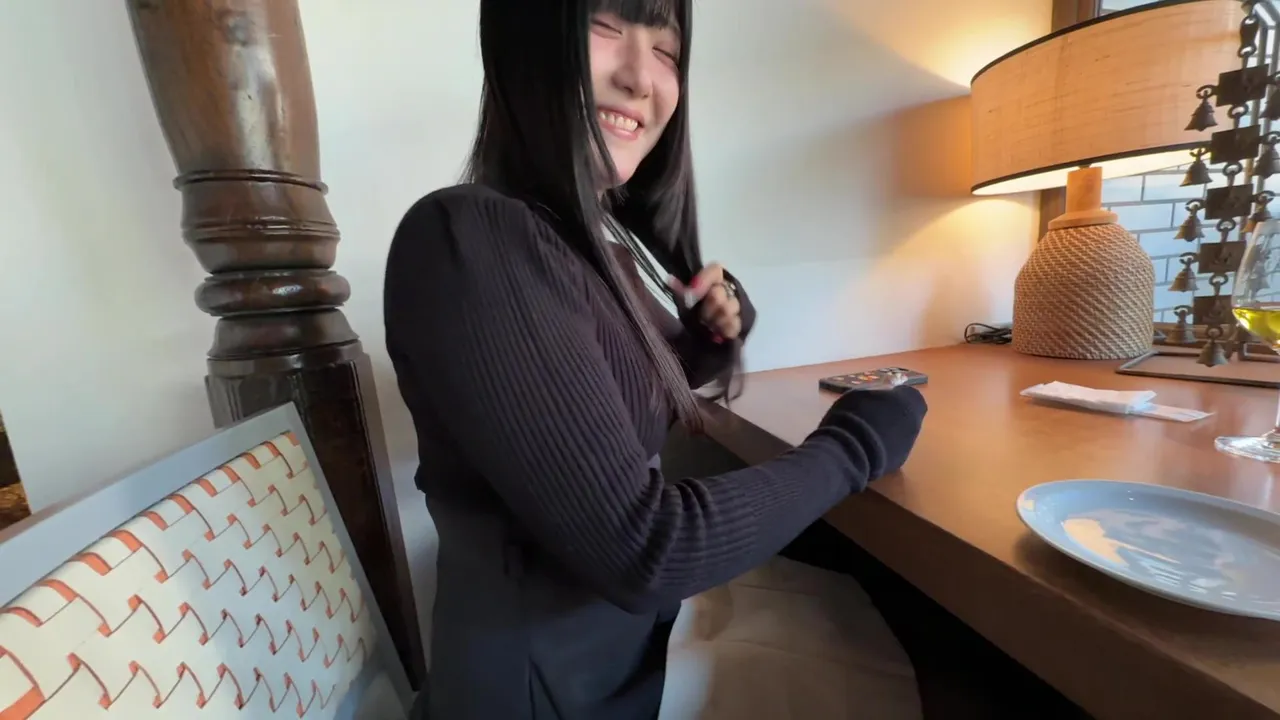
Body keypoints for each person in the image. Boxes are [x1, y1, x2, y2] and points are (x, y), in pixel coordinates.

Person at [382, 1, 928, 717]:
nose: (643, 78)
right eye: (604, 27)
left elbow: (604, 401)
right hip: (558, 693)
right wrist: (854, 446)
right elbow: (648, 549)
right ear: (525, 43)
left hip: (629, 650)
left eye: (667, 51)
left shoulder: (580, 244)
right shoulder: (469, 239)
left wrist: (708, 341)